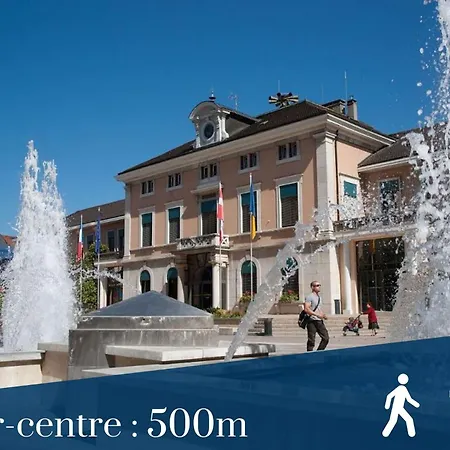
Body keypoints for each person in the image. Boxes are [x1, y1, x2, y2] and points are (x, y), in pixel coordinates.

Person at [303, 281, 329, 351]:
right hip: (311, 320)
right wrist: (317, 314)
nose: (319, 287)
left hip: (319, 321)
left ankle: (319, 352)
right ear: (312, 287)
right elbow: (306, 309)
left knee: (326, 338)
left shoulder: (319, 297)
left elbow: (318, 309)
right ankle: (309, 354)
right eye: (317, 285)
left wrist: (323, 315)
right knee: (311, 340)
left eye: (319, 285)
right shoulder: (309, 297)